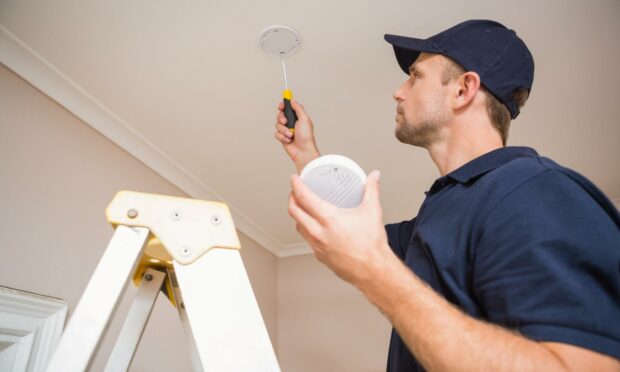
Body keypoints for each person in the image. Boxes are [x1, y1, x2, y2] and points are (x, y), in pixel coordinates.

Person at [273, 19, 620, 371]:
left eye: (415, 75)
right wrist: (307, 156)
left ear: (463, 89)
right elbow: (348, 230)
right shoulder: (442, 213)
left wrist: (374, 270)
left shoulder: (537, 191)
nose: (399, 90)